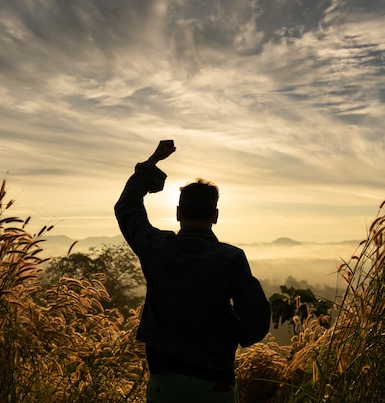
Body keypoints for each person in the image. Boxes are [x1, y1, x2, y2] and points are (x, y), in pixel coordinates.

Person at [114, 140, 271, 403]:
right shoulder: (231, 258)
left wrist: (153, 161)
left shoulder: (157, 248)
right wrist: (231, 333)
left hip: (165, 383)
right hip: (215, 385)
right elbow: (257, 320)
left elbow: (127, 209)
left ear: (178, 213)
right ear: (215, 215)